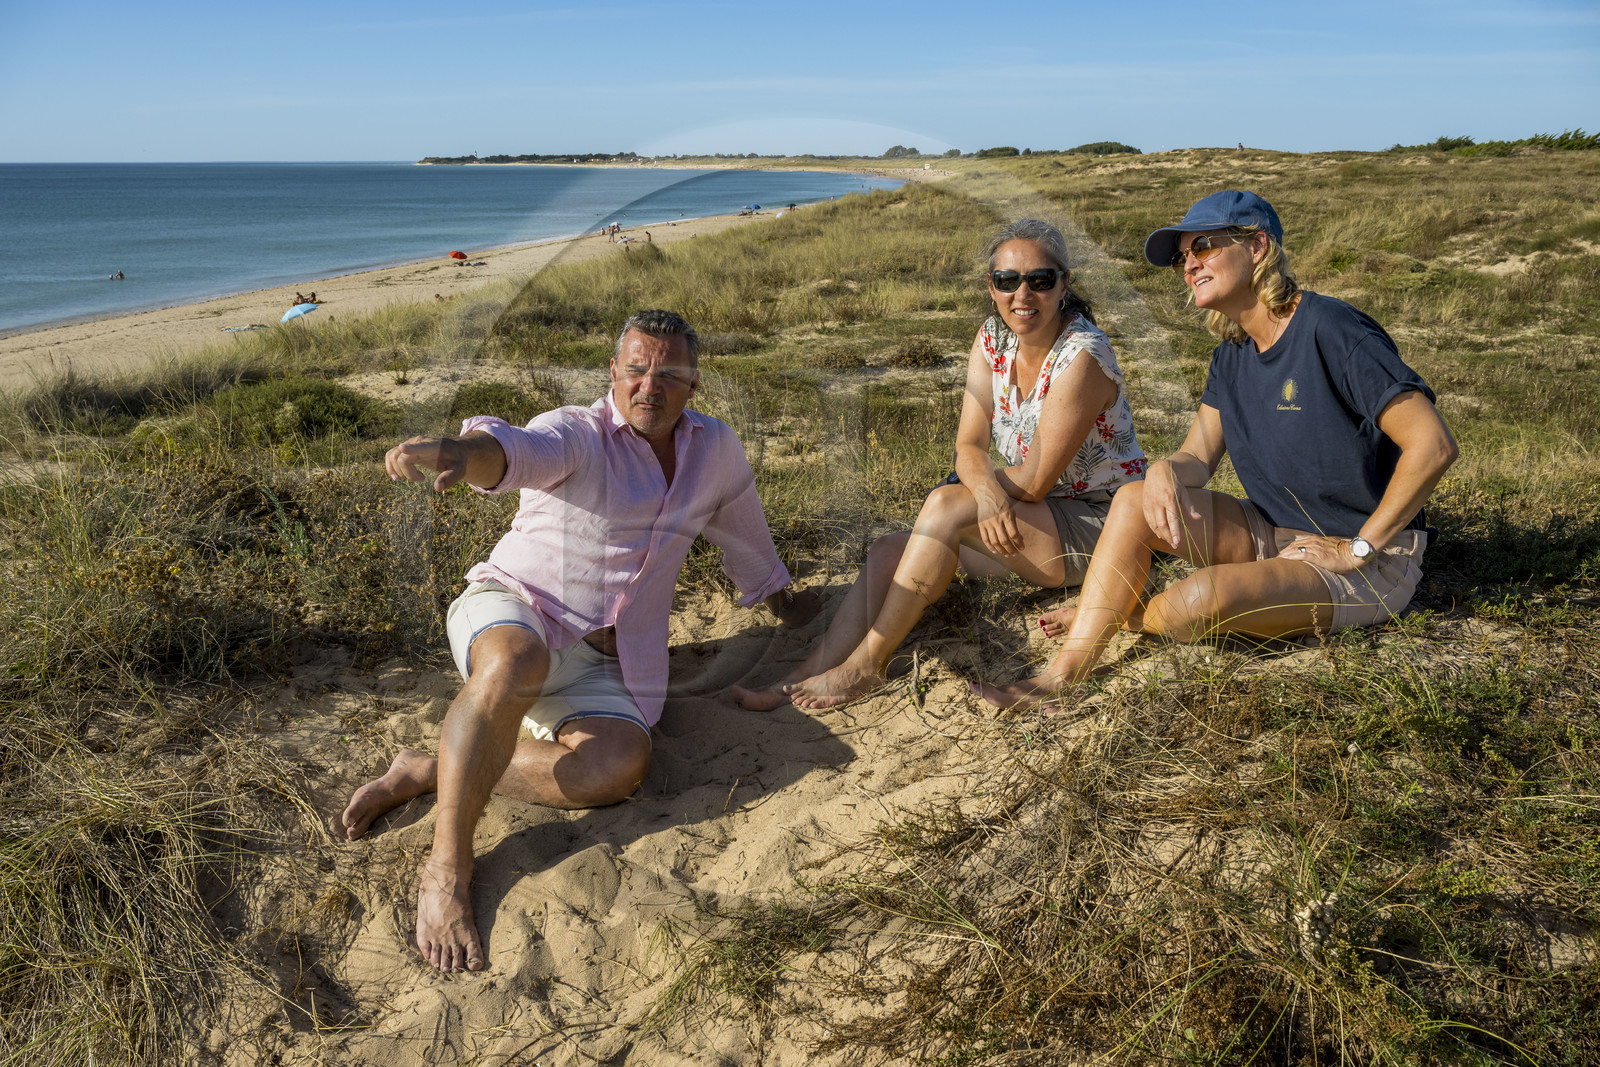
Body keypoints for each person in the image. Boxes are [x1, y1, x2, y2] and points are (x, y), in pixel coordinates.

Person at [341, 309, 819, 972]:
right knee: (517, 661)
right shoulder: (578, 432)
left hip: (607, 666)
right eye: (636, 369)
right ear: (615, 374)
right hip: (514, 613)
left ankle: (429, 767)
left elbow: (747, 539)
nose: (649, 384)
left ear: (693, 383)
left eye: (668, 373)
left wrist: (792, 607)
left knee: (619, 766)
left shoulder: (715, 450)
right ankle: (447, 868)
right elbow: (510, 451)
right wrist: (464, 453)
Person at [972, 191, 1459, 710]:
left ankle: (1121, 611)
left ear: (1256, 246)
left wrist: (1357, 547)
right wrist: (1163, 470)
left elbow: (1432, 444)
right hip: (1272, 530)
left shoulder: (1331, 329)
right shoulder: (1233, 352)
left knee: (1195, 604)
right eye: (1184, 255)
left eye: (1203, 245)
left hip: (1372, 562)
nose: (1190, 264)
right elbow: (1198, 459)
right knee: (1134, 498)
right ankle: (1064, 672)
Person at [734, 219, 1146, 711]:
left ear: (1064, 284)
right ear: (990, 286)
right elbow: (968, 446)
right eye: (1007, 280)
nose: (1023, 294)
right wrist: (989, 495)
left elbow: (1036, 481)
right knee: (891, 550)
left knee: (947, 506)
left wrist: (981, 494)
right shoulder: (994, 338)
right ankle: (805, 672)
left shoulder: (1082, 355)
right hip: (1033, 517)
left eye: (1040, 280)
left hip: (1101, 529)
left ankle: (867, 666)